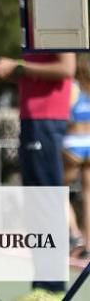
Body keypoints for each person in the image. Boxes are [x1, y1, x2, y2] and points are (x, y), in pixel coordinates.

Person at [0, 0, 75, 299]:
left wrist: (17, 67)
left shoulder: (58, 14)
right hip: (32, 119)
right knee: (36, 205)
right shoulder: (36, 17)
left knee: (47, 203)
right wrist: (4, 72)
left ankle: (52, 289)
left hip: (47, 120)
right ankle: (42, 285)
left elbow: (65, 69)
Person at [64, 57, 90, 258]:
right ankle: (88, 244)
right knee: (88, 196)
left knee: (56, 190)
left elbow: (63, 116)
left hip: (73, 142)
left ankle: (74, 234)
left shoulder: (72, 88)